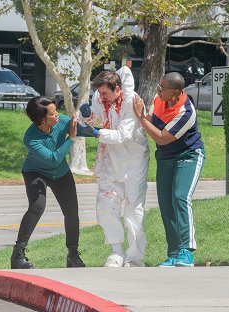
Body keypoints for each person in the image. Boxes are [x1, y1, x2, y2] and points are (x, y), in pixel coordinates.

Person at [10, 96, 98, 269]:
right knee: (37, 206)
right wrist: (70, 138)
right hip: (36, 172)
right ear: (42, 120)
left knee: (72, 212)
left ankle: (73, 256)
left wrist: (104, 132)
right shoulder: (31, 138)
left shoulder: (61, 121)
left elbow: (81, 130)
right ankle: (17, 256)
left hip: (60, 173)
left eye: (56, 110)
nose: (57, 114)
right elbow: (53, 159)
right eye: (52, 113)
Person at [132, 72, 205, 267]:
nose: (158, 90)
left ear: (175, 93)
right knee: (166, 203)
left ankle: (186, 251)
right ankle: (173, 253)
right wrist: (142, 116)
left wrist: (141, 117)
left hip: (188, 156)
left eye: (162, 88)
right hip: (165, 158)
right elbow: (152, 124)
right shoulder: (159, 100)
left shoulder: (186, 112)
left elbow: (162, 138)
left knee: (180, 197)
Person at [84, 67, 150, 267]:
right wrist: (87, 118)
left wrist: (95, 133)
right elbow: (96, 118)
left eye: (105, 93)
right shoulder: (98, 97)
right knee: (106, 205)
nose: (101, 97)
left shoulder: (132, 101)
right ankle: (116, 252)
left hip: (133, 161)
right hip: (109, 160)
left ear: (118, 89)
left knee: (133, 209)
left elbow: (123, 135)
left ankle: (134, 257)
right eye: (99, 92)